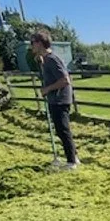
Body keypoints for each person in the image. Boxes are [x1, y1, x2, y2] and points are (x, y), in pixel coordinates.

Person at [30, 30, 80, 169]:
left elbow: (65, 80)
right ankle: (74, 157)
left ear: (40, 43)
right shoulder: (46, 60)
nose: (31, 46)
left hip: (60, 100)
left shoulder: (52, 59)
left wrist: (47, 89)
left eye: (33, 43)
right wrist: (41, 63)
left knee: (63, 130)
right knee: (61, 130)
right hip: (55, 99)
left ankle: (72, 162)